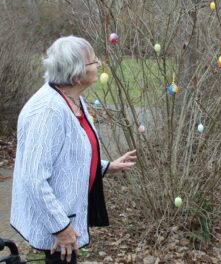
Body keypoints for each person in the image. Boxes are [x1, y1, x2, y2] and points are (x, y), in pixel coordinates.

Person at [10, 36, 137, 263]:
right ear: (76, 73)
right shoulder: (48, 111)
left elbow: (70, 155)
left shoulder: (73, 99)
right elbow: (33, 178)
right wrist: (61, 228)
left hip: (65, 217)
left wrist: (106, 167)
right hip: (55, 224)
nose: (98, 64)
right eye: (93, 61)